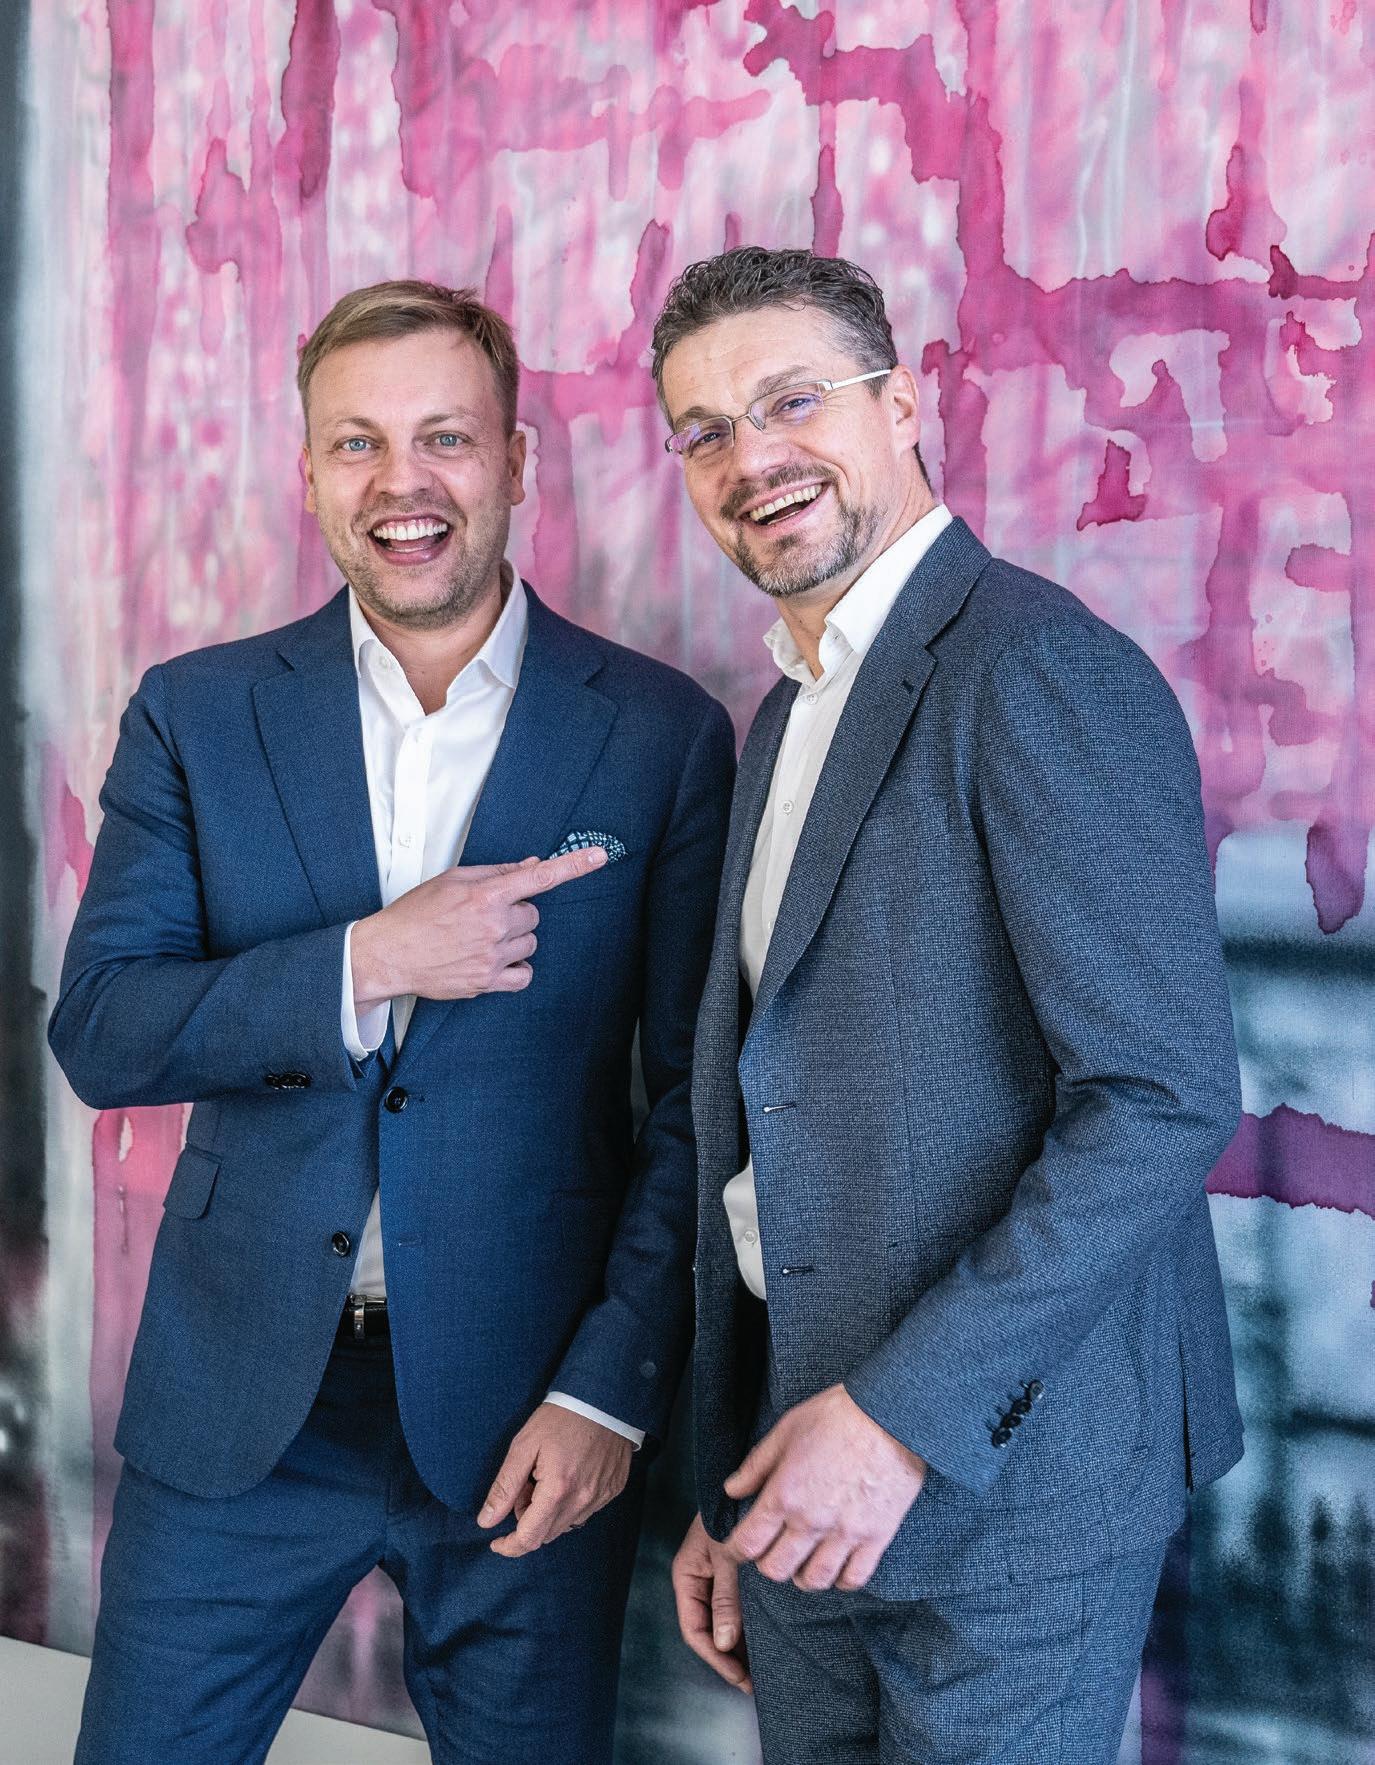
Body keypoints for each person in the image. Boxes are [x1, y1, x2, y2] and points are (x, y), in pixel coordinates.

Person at [49, 279, 735, 1765]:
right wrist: (366, 959)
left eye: (444, 437)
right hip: (239, 1410)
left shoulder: (663, 733)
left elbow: (701, 1104)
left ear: (518, 462)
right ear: (307, 474)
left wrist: (609, 1392)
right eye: (356, 443)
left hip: (528, 1415)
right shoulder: (195, 714)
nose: (399, 482)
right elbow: (103, 1028)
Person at [656, 246, 1242, 1765]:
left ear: (905, 402)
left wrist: (901, 1416)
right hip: (798, 1472)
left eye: (793, 400)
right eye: (705, 430)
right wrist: (732, 1478)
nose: (752, 457)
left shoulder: (1037, 670)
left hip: (1005, 1486)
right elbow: (767, 1120)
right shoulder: (785, 711)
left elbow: (1162, 1098)